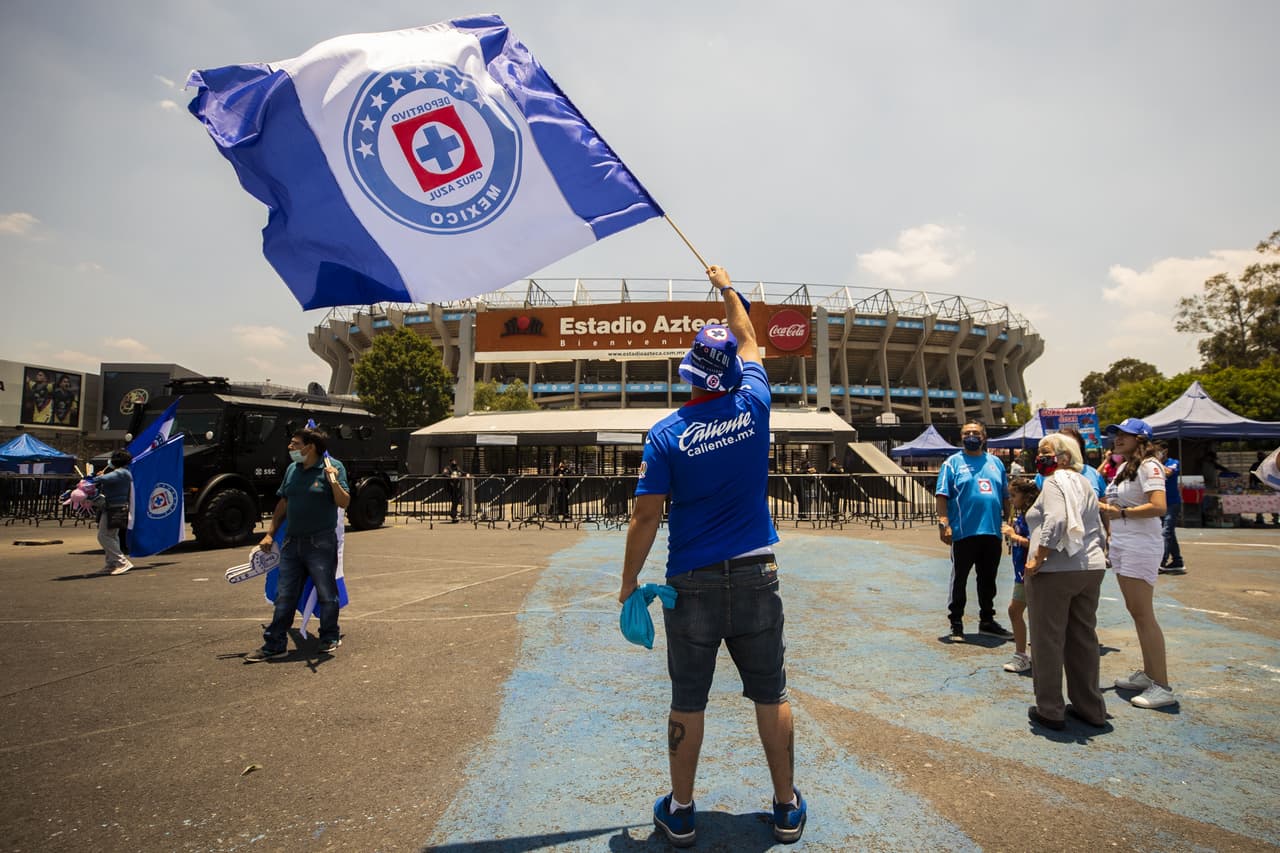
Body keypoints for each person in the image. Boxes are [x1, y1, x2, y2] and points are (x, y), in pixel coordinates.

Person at [619, 265, 806, 847]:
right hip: (756, 574)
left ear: (690, 373)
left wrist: (628, 585)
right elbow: (748, 337)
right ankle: (784, 807)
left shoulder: (666, 432)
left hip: (691, 581)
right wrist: (728, 288)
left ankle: (680, 810)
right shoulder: (754, 402)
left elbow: (645, 516)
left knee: (687, 699)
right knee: (771, 692)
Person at [1022, 433, 1110, 730]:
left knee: (1048, 640)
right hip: (1089, 567)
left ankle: (1050, 709)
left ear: (1062, 456)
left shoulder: (1054, 482)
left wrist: (1038, 558)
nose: (1039, 457)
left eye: (1045, 452)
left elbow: (1057, 520)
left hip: (1056, 571)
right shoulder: (1085, 481)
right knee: (1083, 638)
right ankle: (1090, 707)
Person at [247, 427, 350, 661]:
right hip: (292, 542)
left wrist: (333, 481)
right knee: (285, 594)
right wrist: (270, 533)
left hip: (320, 542)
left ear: (310, 447)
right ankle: (274, 643)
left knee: (326, 592)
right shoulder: (292, 469)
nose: (290, 448)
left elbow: (344, 502)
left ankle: (329, 636)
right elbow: (284, 502)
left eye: (295, 444)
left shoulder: (333, 467)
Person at [1098, 418, 1178, 710]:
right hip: (1123, 543)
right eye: (1116, 434)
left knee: (1144, 614)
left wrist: (1121, 514)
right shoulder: (1123, 467)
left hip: (1140, 544)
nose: (1117, 438)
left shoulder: (1149, 466)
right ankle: (1149, 674)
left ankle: (1163, 685)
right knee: (1136, 611)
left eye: (1124, 435)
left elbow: (1159, 506)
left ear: (1141, 438)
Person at [936, 419, 1014, 642]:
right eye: (967, 432)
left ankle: (987, 621)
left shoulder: (996, 463)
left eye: (976, 432)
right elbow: (942, 496)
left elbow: (1005, 497)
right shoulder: (952, 464)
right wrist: (944, 523)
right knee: (960, 578)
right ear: (961, 437)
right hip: (964, 532)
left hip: (991, 532)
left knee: (988, 579)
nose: (971, 436)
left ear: (984, 437)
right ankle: (956, 623)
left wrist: (1008, 523)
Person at [1000, 478, 1040, 673]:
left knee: (1020, 612)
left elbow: (1035, 543)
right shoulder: (1022, 515)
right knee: (1017, 612)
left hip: (1031, 571)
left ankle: (1025, 655)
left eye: (1014, 495)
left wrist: (1013, 535)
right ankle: (1024, 654)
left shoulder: (1033, 517)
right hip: (1021, 572)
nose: (1011, 499)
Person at [94, 450, 134, 575]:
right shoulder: (124, 472)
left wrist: (98, 476)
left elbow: (102, 479)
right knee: (112, 536)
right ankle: (111, 564)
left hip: (115, 508)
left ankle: (121, 562)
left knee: (104, 536)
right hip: (115, 507)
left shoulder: (121, 473)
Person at [1154, 441, 1185, 573]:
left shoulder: (1173, 462)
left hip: (1172, 503)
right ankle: (1177, 561)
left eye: (1158, 450)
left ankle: (1161, 561)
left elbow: (1168, 473)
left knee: (1165, 532)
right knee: (1169, 533)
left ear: (1165, 451)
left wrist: (1156, 462)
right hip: (1160, 503)